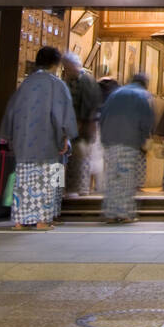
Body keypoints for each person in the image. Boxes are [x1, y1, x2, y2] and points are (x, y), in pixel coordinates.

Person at [0, 46, 76, 230]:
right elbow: (63, 113)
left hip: (23, 141)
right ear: (56, 64)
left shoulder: (25, 84)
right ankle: (42, 220)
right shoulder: (56, 84)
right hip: (46, 142)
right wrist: (65, 136)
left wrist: (8, 136)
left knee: (23, 179)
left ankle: (19, 221)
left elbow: (11, 111)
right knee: (46, 179)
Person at [98, 73, 154, 223]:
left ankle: (110, 213)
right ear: (144, 84)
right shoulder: (142, 95)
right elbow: (146, 121)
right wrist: (144, 140)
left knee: (112, 177)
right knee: (126, 177)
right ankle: (124, 213)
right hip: (129, 141)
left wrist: (104, 137)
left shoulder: (115, 94)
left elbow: (102, 116)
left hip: (110, 140)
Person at [61, 51, 102, 211]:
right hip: (71, 127)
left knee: (80, 158)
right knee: (70, 159)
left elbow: (91, 105)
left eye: (67, 67)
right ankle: (67, 189)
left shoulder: (87, 80)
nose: (66, 70)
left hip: (81, 127)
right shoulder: (68, 80)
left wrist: (82, 123)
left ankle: (79, 189)